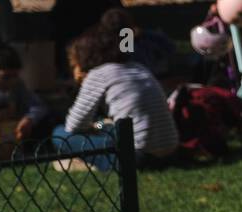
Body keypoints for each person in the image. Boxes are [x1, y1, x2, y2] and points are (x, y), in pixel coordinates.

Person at [54, 27, 178, 171]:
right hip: (169, 151)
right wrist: (96, 126)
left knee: (60, 133)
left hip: (135, 156)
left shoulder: (99, 75)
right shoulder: (139, 68)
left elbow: (74, 126)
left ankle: (91, 163)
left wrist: (82, 85)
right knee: (103, 124)